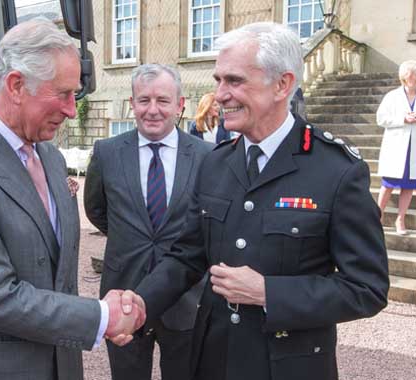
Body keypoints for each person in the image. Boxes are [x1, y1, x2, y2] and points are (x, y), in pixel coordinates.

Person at [129, 22, 389, 380]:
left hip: (288, 367)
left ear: (282, 84)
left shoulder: (337, 170)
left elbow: (367, 288)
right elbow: (187, 255)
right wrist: (141, 302)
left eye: (234, 81)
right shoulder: (215, 163)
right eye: (219, 80)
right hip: (212, 361)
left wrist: (270, 292)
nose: (219, 94)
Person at [0, 18, 143, 380]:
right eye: (63, 93)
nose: (72, 109)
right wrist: (103, 316)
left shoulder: (51, 158)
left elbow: (58, 276)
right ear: (17, 85)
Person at [84, 64, 213, 380]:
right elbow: (95, 209)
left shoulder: (207, 156)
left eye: (163, 100)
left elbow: (211, 220)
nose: (152, 110)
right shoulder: (107, 152)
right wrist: (129, 238)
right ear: (132, 103)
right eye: (144, 100)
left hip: (186, 296)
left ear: (180, 105)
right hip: (123, 295)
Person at [376, 60, 416, 235]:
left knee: (409, 185)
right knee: (388, 184)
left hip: (413, 148)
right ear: (406, 77)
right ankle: (377, 216)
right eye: (413, 75)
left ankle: (400, 220)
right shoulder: (392, 96)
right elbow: (381, 119)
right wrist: (402, 118)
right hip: (397, 147)